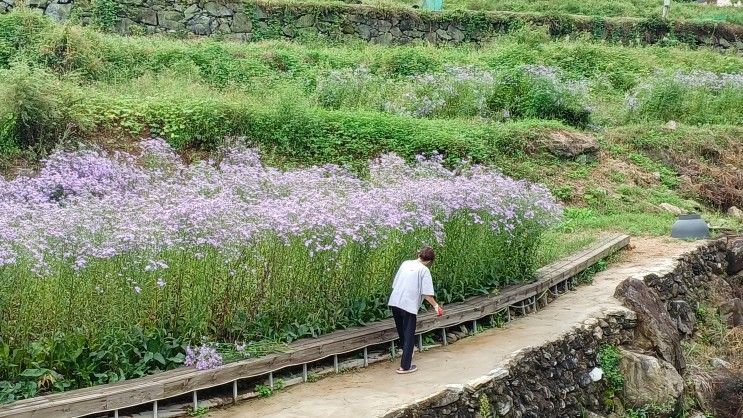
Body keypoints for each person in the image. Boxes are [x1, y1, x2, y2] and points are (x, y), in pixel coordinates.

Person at [388, 246, 443, 374]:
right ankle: (405, 366)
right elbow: (427, 294)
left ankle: (408, 353)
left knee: (402, 332)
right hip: (408, 305)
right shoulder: (424, 270)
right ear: (430, 261)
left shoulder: (405, 263)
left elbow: (395, 284)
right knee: (408, 335)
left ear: (419, 255)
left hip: (395, 301)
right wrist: (436, 306)